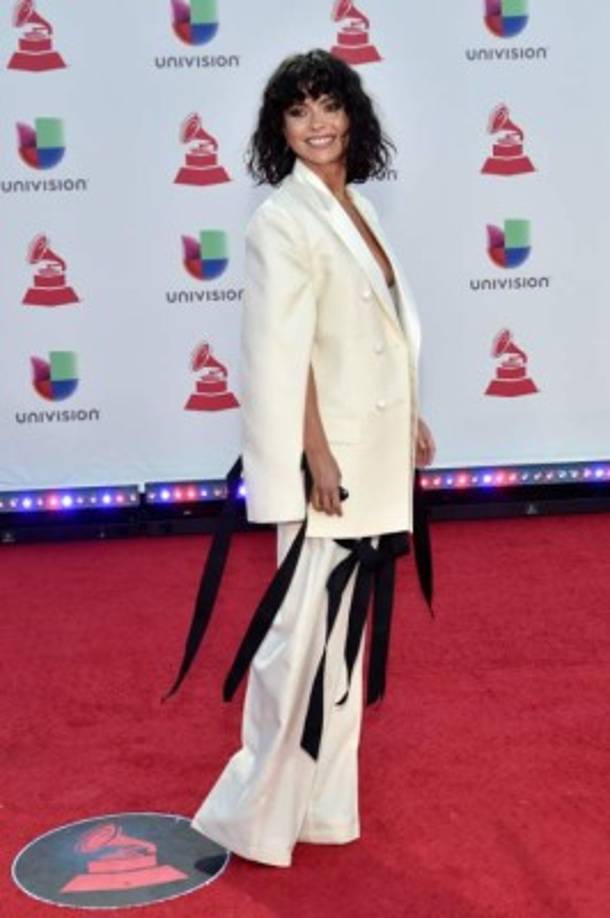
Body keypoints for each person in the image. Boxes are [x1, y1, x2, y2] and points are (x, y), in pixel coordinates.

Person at [190, 49, 436, 868]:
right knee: (295, 642)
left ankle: (321, 810)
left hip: (369, 450)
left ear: (352, 114)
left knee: (341, 645)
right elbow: (279, 355)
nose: (318, 123)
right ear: (279, 129)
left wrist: (410, 417)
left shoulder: (354, 204)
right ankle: (249, 816)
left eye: (328, 104)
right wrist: (315, 454)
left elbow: (373, 333)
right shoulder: (281, 221)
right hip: (324, 466)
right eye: (298, 112)